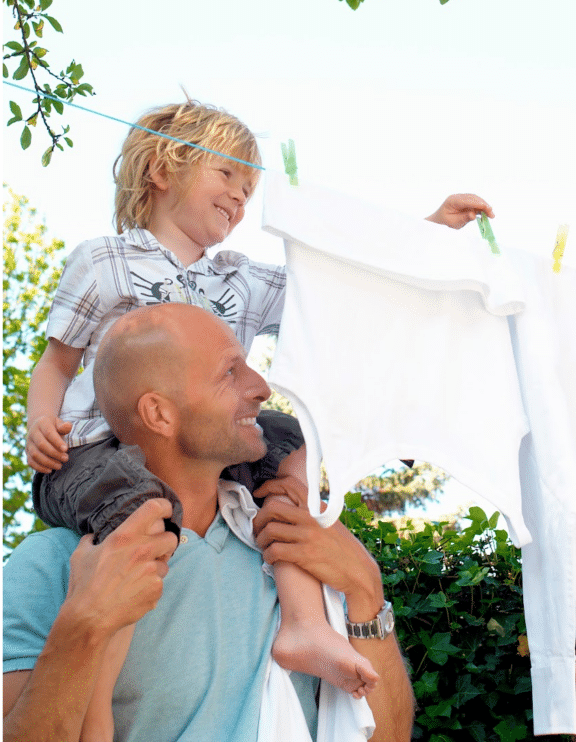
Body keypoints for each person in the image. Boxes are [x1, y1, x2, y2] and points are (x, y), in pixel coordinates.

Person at [24, 98, 494, 740]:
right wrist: (40, 423)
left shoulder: (240, 279)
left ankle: (304, 621)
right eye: (229, 178)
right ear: (164, 168)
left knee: (298, 442)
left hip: (217, 445)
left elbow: (335, 295)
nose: (241, 200)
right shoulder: (105, 262)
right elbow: (56, 361)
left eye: (250, 191)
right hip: (100, 454)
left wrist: (426, 235)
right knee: (134, 529)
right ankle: (96, 707)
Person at [4, 304, 416, 742]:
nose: (260, 387)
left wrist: (365, 589)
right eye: (229, 372)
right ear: (159, 414)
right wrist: (84, 625)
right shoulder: (54, 565)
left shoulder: (297, 552)